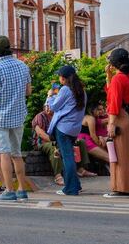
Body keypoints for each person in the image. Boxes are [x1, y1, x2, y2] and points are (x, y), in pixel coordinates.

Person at [0, 35, 32, 202]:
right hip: (18, 115)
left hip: (0, 116)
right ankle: (22, 189)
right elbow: (28, 92)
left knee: (4, 153)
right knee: (17, 154)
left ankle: (9, 190)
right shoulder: (23, 66)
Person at [103, 48, 129, 198]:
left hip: (121, 117)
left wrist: (111, 123)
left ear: (113, 63)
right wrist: (109, 76)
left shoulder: (119, 79)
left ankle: (121, 188)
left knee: (119, 155)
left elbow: (114, 103)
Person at [46, 65, 87, 196]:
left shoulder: (65, 90)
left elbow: (53, 106)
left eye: (60, 76)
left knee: (67, 158)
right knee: (70, 157)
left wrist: (50, 96)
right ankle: (76, 185)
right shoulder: (82, 91)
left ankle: (70, 189)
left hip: (63, 129)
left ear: (64, 78)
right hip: (74, 129)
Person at [33, 104, 92, 188]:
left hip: (60, 139)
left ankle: (81, 169)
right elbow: (40, 133)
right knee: (54, 146)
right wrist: (57, 141)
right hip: (43, 142)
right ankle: (58, 175)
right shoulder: (40, 116)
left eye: (51, 106)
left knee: (81, 142)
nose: (49, 108)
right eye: (47, 106)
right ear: (44, 107)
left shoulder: (58, 116)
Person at [78, 102, 110, 166]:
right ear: (93, 110)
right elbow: (93, 135)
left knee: (109, 157)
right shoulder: (91, 118)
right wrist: (100, 145)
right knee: (109, 158)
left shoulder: (88, 117)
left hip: (85, 139)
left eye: (102, 109)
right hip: (86, 141)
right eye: (98, 110)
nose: (101, 111)